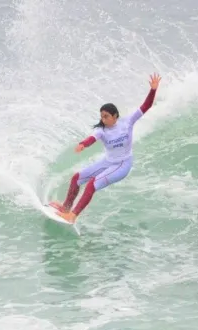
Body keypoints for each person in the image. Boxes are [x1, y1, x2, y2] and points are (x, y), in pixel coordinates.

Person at [49, 73, 162, 223]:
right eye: (102, 116)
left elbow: (146, 106)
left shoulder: (127, 122)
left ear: (115, 116)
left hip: (122, 164)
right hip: (108, 162)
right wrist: (83, 144)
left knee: (92, 184)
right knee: (76, 178)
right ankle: (66, 208)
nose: (103, 119)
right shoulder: (102, 130)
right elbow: (92, 138)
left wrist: (153, 90)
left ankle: (72, 216)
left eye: (106, 116)